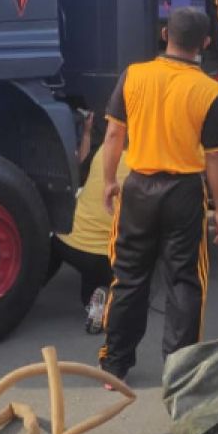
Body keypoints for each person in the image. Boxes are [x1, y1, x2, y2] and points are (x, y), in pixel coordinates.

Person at [98, 8, 218, 383]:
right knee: (184, 281)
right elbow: (216, 156)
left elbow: (112, 136)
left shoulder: (134, 76)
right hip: (185, 193)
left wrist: (109, 181)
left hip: (139, 188)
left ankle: (115, 365)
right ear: (204, 44)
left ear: (164, 34)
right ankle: (179, 373)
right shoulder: (210, 90)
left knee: (128, 277)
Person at [52, 111, 132, 334]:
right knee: (111, 277)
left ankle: (28, 288)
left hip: (65, 241)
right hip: (99, 254)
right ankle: (98, 304)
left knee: (69, 254)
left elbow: (80, 167)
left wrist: (86, 132)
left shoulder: (103, 154)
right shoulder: (144, 168)